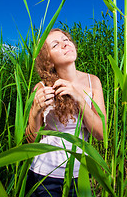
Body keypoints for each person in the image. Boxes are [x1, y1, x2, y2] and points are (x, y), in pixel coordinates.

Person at [25, 28, 106, 196]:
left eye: (66, 39)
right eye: (55, 45)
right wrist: (35, 111)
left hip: (79, 173)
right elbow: (31, 140)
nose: (65, 44)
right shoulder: (41, 88)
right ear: (49, 60)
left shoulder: (93, 82)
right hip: (44, 174)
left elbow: (101, 134)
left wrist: (79, 98)